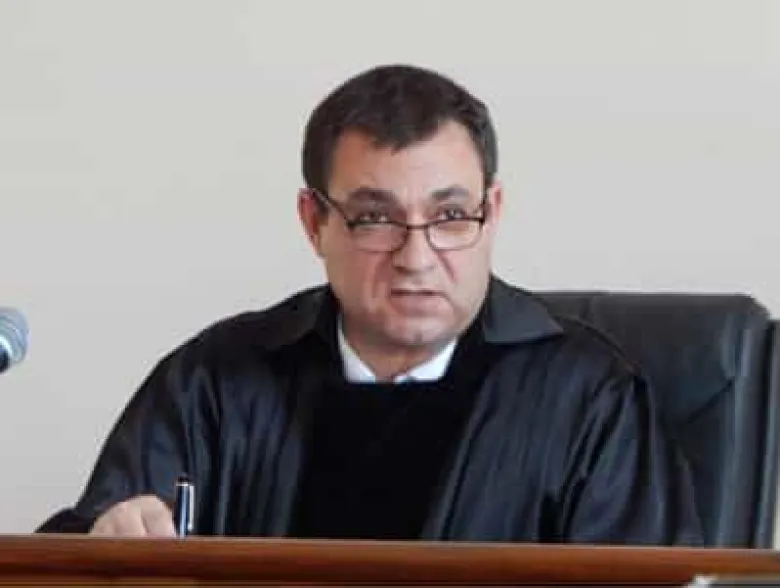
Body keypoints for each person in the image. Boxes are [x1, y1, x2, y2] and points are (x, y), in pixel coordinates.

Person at [38, 64, 702, 544]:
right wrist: (104, 538)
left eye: (450, 215)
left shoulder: (591, 396)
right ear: (314, 222)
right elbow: (81, 551)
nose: (416, 257)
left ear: (492, 212)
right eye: (375, 218)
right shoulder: (215, 379)